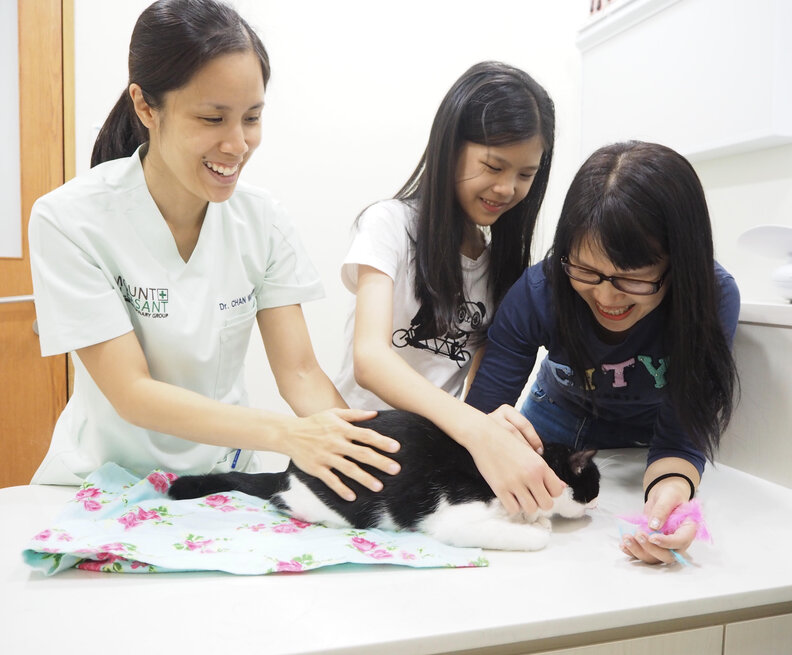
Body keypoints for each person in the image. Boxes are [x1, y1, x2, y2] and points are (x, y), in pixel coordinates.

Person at [27, 0, 401, 500]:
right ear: (145, 106)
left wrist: (364, 456)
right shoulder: (70, 219)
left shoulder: (262, 220)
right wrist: (287, 435)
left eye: (251, 117)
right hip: (99, 483)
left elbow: (301, 373)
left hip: (222, 484)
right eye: (211, 118)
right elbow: (131, 392)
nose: (237, 144)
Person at [465, 140, 740, 565]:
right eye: (586, 271)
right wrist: (494, 442)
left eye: (631, 278)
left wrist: (671, 505)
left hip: (652, 437)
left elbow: (680, 439)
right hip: (554, 426)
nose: (607, 297)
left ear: (680, 262)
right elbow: (484, 414)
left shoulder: (712, 296)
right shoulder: (541, 290)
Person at [334, 61, 567, 516]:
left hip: (429, 464)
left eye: (525, 174)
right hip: (356, 453)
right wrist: (475, 429)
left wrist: (487, 430)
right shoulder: (390, 225)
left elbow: (480, 383)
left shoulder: (502, 264)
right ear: (450, 146)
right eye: (493, 165)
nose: (507, 188)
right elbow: (371, 360)